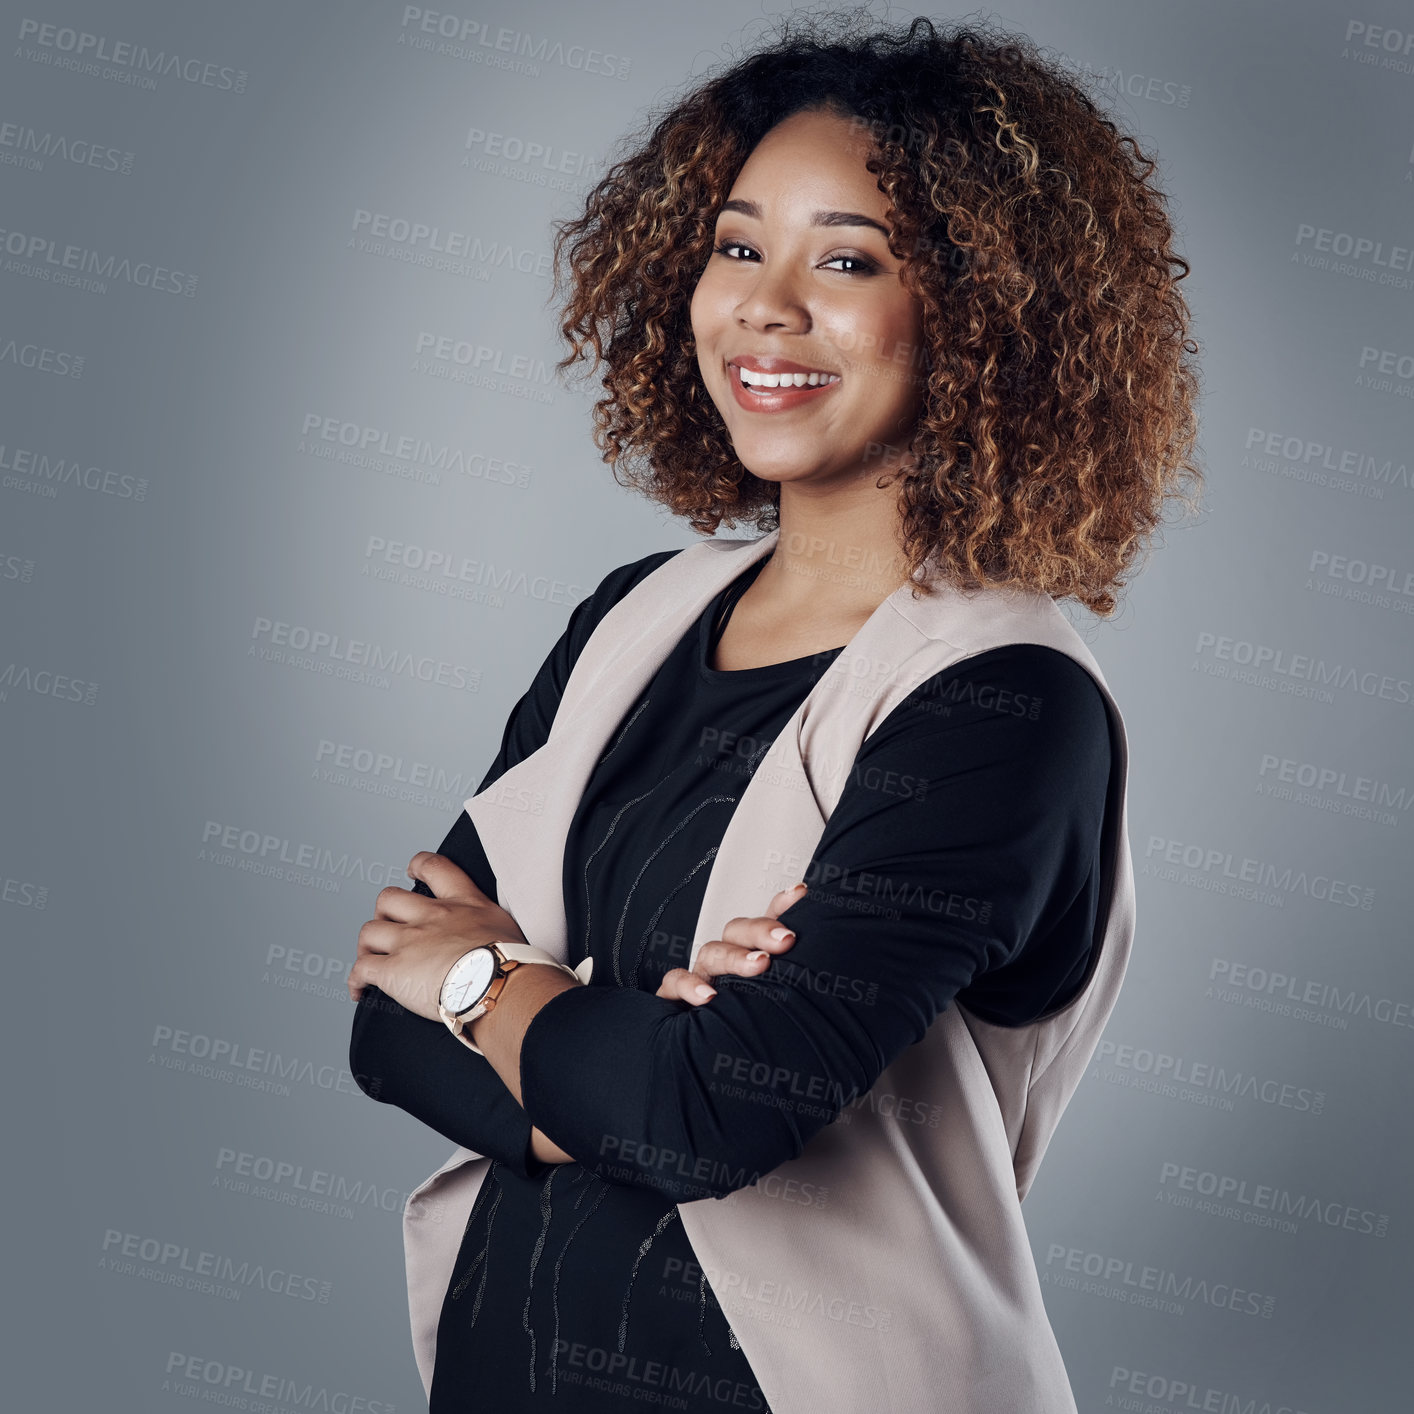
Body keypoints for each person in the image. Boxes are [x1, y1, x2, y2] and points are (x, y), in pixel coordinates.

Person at [347, 13, 1201, 1413]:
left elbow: (705, 1113)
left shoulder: (1003, 702)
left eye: (848, 259)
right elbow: (382, 1029)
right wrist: (616, 1054)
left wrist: (483, 986)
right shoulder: (634, 616)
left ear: (987, 315)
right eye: (739, 245)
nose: (764, 303)